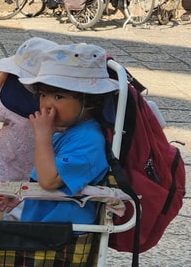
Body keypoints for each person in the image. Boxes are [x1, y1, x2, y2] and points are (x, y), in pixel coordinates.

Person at [8, 43, 118, 225]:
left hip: (62, 232)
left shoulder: (88, 140)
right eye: (42, 95)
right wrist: (23, 196)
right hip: (42, 223)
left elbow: (49, 181)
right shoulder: (67, 130)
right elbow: (41, 174)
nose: (46, 105)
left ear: (89, 101)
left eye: (58, 97)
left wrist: (42, 137)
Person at [0, 37, 57, 183]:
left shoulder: (8, 109)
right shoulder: (59, 116)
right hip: (37, 186)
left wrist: (3, 76)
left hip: (2, 181)